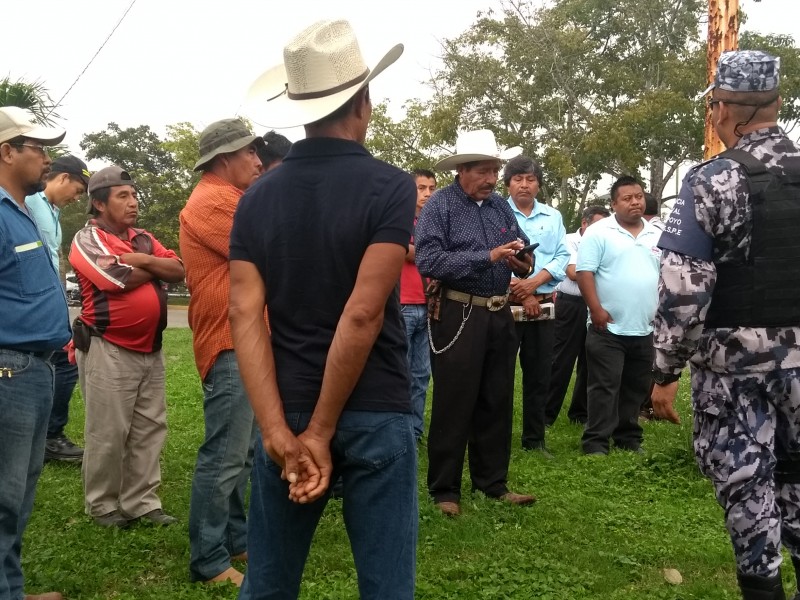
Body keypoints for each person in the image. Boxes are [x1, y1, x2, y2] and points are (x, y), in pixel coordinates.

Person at [230, 20, 418, 599]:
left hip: (285, 408)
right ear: (363, 100)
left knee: (268, 579)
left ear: (299, 109)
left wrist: (279, 432)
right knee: (385, 585)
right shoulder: (389, 187)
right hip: (373, 407)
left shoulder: (256, 197)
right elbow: (362, 315)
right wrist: (321, 432)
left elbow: (243, 315)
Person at [652, 50, 800, 600]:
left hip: (736, 377)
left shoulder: (711, 181)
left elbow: (683, 291)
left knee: (749, 496)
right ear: (778, 102)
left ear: (723, 109)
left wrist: (664, 370)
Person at [415, 128, 537, 517]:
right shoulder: (441, 206)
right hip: (459, 312)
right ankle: (445, 490)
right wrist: (486, 257)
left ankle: (492, 483)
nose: (490, 180)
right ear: (462, 170)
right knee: (455, 399)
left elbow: (519, 250)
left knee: (496, 397)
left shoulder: (501, 206)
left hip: (498, 312)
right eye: (483, 171)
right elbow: (428, 261)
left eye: (494, 171)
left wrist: (522, 261)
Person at [70, 165, 185, 529]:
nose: (133, 202)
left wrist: (145, 260)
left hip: (150, 349)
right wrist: (154, 267)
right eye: (123, 196)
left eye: (133, 195)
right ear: (99, 204)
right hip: (109, 348)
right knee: (108, 431)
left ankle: (142, 502)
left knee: (150, 427)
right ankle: (103, 505)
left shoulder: (144, 240)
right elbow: (114, 279)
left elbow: (180, 269)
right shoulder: (87, 240)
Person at [180, 119, 264, 586]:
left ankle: (236, 539)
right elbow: (265, 248)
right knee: (225, 455)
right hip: (229, 341)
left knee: (244, 453)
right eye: (249, 152)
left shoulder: (233, 198)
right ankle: (209, 559)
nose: (257, 161)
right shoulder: (213, 200)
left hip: (245, 339)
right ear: (223, 159)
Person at [0, 106, 70, 600]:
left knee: (18, 495)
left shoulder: (23, 213)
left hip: (35, 370)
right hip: (8, 370)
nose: (47, 159)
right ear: (6, 152)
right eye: (37, 148)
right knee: (3, 498)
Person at [575, 175, 660, 455]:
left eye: (638, 196)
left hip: (645, 326)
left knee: (635, 387)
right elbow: (585, 272)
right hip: (608, 327)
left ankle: (628, 437)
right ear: (614, 204)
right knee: (604, 387)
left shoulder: (657, 234)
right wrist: (596, 310)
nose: (635, 202)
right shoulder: (599, 232)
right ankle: (596, 442)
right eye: (627, 198)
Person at [25, 155, 90, 463]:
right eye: (77, 189)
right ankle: (50, 436)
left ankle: (43, 434)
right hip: (31, 303)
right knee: (63, 362)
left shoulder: (51, 210)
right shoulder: (29, 201)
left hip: (50, 300)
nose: (77, 198)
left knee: (58, 362)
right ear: (63, 178)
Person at [504, 155, 569, 454]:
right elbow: (493, 257)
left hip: (543, 305)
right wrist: (523, 291)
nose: (524, 185)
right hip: (503, 304)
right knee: (499, 374)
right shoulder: (496, 212)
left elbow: (561, 256)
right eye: (518, 179)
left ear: (539, 185)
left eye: (530, 179)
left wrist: (534, 283)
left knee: (540, 374)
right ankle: (497, 437)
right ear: (508, 184)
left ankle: (534, 439)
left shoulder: (552, 217)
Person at [543, 205, 610, 426]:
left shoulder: (606, 241)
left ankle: (580, 414)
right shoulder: (570, 240)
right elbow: (573, 273)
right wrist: (601, 270)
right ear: (584, 223)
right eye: (597, 224)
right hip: (571, 305)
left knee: (590, 360)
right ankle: (546, 414)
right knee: (561, 359)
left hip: (596, 305)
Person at [401, 167, 436, 441]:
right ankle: (397, 431)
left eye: (431, 189)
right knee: (399, 371)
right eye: (421, 188)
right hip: (401, 304)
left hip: (428, 304)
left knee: (421, 373)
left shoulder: (434, 223)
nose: (427, 194)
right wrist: (435, 254)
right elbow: (404, 250)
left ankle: (413, 431)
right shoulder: (398, 218)